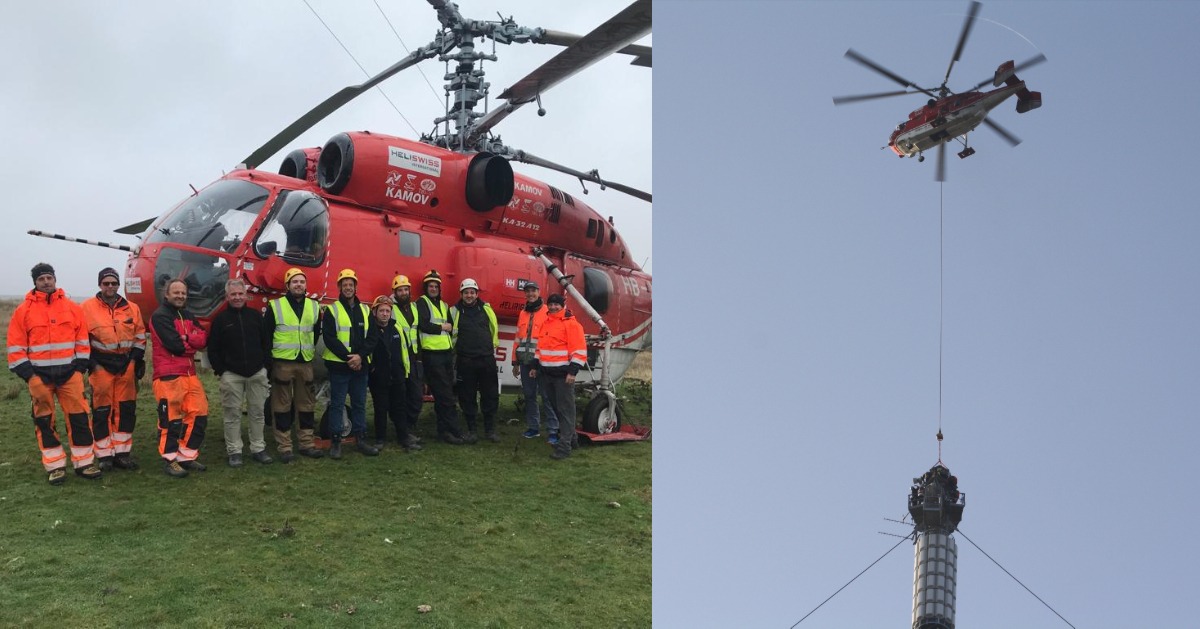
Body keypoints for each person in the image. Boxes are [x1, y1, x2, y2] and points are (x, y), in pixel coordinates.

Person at [8, 263, 103, 485]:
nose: (46, 282)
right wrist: (30, 376)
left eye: (49, 277)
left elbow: (82, 343)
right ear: (35, 282)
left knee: (79, 419)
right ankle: (55, 466)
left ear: (55, 279)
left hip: (70, 375)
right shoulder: (23, 312)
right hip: (38, 377)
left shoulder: (72, 308)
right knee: (44, 422)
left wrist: (79, 369)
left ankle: (84, 463)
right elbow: (15, 348)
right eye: (42, 278)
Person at [81, 266, 146, 472]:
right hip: (100, 365)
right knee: (101, 411)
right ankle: (104, 455)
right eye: (106, 283)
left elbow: (140, 336)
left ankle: (122, 453)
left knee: (126, 409)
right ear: (100, 284)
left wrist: (135, 360)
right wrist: (91, 363)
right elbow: (81, 339)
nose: (110, 286)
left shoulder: (132, 308)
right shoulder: (86, 308)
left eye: (114, 283)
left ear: (118, 285)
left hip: (126, 364)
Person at [262, 268, 325, 463]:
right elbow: (266, 335)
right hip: (282, 362)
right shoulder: (275, 306)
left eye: (302, 282)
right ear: (287, 285)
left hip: (304, 362)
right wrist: (269, 363)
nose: (299, 285)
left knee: (306, 405)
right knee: (281, 406)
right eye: (295, 282)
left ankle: (306, 444)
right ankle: (285, 447)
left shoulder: (314, 307)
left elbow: (314, 334)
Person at [149, 279, 210, 478]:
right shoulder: (160, 316)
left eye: (183, 293)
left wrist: (187, 339)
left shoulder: (188, 315)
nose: (180, 296)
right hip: (168, 375)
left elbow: (202, 340)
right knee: (171, 420)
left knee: (199, 414)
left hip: (190, 373)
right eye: (176, 292)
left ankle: (186, 456)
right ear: (166, 294)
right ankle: (169, 459)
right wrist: (188, 339)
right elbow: (174, 345)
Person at [208, 278, 272, 468]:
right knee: (231, 415)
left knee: (257, 413)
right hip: (231, 375)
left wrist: (265, 367)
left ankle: (258, 448)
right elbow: (213, 349)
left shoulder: (255, 317)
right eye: (233, 294)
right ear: (227, 296)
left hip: (257, 373)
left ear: (246, 295)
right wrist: (221, 370)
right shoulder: (220, 320)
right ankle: (234, 451)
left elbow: (266, 343)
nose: (237, 297)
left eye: (240, 294)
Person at [321, 268, 379, 459]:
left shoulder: (365, 310)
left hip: (360, 367)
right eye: (344, 284)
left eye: (351, 284)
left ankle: (361, 439)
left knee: (360, 403)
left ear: (355, 287)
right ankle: (335, 441)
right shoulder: (332, 310)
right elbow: (330, 338)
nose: (348, 288)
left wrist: (360, 357)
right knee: (337, 404)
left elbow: (372, 337)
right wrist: (349, 358)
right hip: (339, 366)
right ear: (339, 287)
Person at [531, 293, 587, 460]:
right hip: (547, 374)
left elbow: (579, 350)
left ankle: (564, 448)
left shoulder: (572, 324)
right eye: (551, 304)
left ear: (563, 305)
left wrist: (572, 372)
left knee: (565, 410)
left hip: (563, 376)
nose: (554, 307)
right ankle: (573, 440)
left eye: (557, 304)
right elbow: (540, 348)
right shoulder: (545, 323)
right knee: (558, 409)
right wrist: (535, 366)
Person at [415, 269, 468, 444]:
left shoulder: (444, 305)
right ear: (426, 288)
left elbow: (451, 325)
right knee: (445, 395)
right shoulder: (421, 302)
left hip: (446, 353)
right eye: (430, 286)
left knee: (445, 394)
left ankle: (443, 431)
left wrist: (447, 328)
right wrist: (441, 328)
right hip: (432, 354)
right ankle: (453, 431)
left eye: (436, 286)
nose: (433, 288)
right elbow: (423, 324)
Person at [367, 296, 421, 451]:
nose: (385, 314)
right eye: (382, 311)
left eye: (387, 311)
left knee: (400, 408)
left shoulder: (397, 328)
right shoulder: (370, 329)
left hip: (397, 375)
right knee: (380, 408)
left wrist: (405, 370)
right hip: (379, 376)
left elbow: (405, 349)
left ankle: (403, 437)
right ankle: (380, 439)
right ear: (375, 312)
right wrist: (372, 369)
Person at [450, 278, 500, 442]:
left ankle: (490, 430)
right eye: (466, 293)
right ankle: (472, 430)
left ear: (477, 294)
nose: (469, 295)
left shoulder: (486, 309)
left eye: (472, 292)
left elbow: (494, 328)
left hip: (486, 359)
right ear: (461, 294)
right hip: (465, 360)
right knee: (467, 396)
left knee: (490, 395)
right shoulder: (454, 311)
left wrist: (492, 347)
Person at [510, 281, 559, 444]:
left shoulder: (548, 311)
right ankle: (533, 427)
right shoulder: (523, 313)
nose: (530, 294)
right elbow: (517, 338)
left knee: (547, 397)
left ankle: (553, 430)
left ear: (539, 292)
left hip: (543, 363)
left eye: (533, 291)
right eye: (527, 291)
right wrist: (515, 362)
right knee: (529, 396)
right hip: (525, 362)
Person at [390, 275, 424, 443]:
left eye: (405, 289)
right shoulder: (390, 309)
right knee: (400, 397)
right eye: (400, 290)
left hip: (415, 358)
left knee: (417, 396)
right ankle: (403, 431)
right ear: (394, 292)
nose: (403, 292)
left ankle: (409, 425)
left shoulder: (415, 308)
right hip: (399, 359)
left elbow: (417, 332)